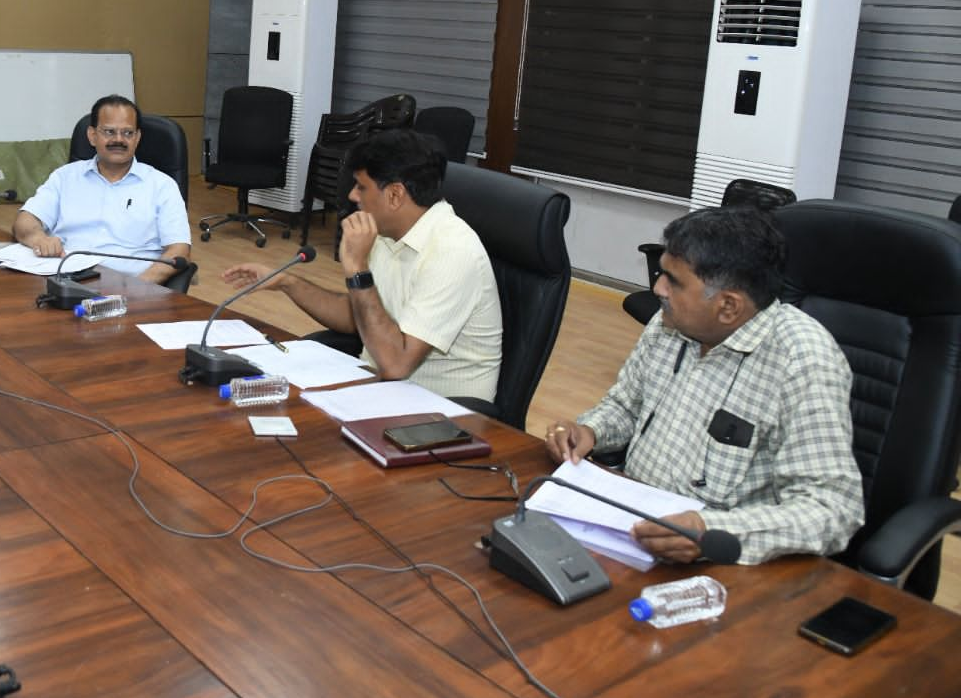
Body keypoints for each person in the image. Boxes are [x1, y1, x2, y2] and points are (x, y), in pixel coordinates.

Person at [544, 206, 863, 565]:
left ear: (728, 307)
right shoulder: (670, 324)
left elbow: (832, 508)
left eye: (673, 281)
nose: (657, 288)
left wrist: (709, 531)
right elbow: (625, 407)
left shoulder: (803, 361)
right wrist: (590, 430)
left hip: (722, 566)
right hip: (630, 532)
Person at [222, 128, 503, 401]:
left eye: (361, 187)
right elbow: (357, 315)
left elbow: (396, 365)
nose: (353, 196)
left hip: (443, 413)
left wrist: (357, 268)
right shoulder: (387, 234)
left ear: (395, 195)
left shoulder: (452, 250)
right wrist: (287, 282)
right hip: (381, 390)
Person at [13, 95, 190, 285]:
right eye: (109, 132)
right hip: (65, 280)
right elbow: (25, 220)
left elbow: (179, 251)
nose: (119, 140)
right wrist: (39, 238)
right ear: (92, 135)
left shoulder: (162, 186)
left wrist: (137, 287)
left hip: (128, 285)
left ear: (137, 138)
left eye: (128, 133)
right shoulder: (65, 177)